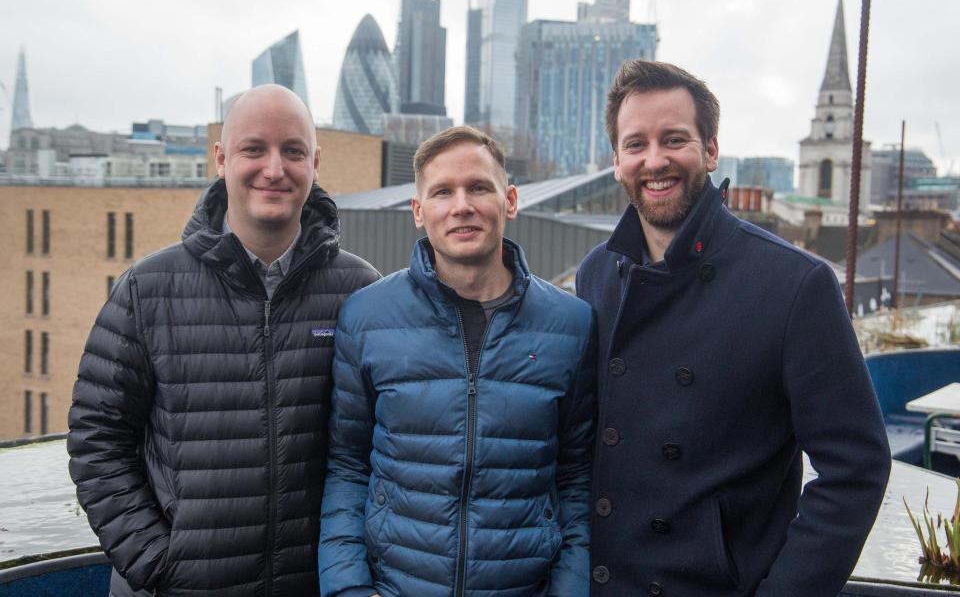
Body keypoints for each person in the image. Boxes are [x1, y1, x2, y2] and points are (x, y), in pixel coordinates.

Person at [576, 60, 891, 596]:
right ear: (617, 161)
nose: (655, 161)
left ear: (711, 150)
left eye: (674, 139)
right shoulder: (596, 274)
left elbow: (855, 468)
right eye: (636, 145)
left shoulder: (795, 283)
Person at [67, 84, 380, 596]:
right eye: (254, 149)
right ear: (221, 158)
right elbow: (97, 438)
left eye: (293, 150)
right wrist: (155, 562)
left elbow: (378, 449)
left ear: (316, 162)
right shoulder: (149, 289)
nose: (274, 169)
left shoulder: (360, 290)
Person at [318, 126, 595, 597]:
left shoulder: (571, 324)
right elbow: (347, 465)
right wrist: (347, 588)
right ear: (419, 211)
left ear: (509, 200)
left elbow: (578, 480)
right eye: (443, 191)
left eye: (479, 187)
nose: (462, 205)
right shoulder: (366, 316)